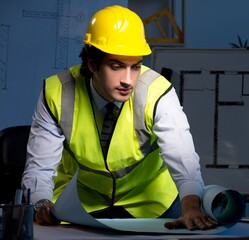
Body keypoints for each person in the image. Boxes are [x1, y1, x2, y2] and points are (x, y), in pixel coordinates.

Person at [21, 5, 218, 230]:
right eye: (116, 66)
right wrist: (40, 203)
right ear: (92, 64)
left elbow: (183, 157)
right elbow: (40, 167)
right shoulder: (57, 92)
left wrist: (192, 206)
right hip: (81, 203)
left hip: (151, 201)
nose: (128, 80)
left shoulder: (158, 91)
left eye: (135, 67)